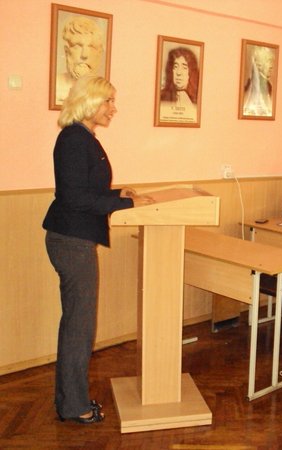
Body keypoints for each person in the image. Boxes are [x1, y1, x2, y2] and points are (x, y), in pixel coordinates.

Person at [43, 76, 154, 424]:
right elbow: (75, 198)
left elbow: (86, 189)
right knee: (80, 327)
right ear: (90, 101)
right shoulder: (75, 139)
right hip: (71, 241)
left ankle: (69, 399)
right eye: (108, 101)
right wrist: (126, 203)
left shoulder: (83, 137)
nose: (113, 108)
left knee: (76, 324)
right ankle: (74, 406)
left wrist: (120, 193)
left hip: (74, 238)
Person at [55, 16, 104, 104]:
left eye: (91, 47)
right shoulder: (56, 85)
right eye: (78, 46)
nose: (84, 55)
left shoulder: (103, 91)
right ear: (67, 51)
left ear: (99, 53)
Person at [160, 47, 199, 119]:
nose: (178, 73)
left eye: (184, 68)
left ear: (191, 72)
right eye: (175, 67)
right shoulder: (161, 97)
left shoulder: (197, 99)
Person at [243, 45, 275, 116]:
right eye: (268, 61)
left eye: (271, 62)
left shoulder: (270, 87)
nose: (271, 66)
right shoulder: (247, 88)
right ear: (258, 64)